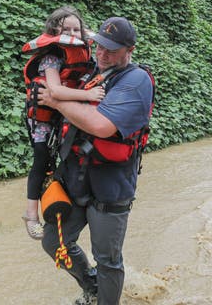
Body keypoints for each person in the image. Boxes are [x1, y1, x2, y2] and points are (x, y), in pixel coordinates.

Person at [37, 17, 154, 304]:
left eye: (111, 50)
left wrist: (55, 100)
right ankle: (92, 287)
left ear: (130, 50)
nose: (102, 54)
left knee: (108, 259)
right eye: (99, 46)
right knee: (54, 242)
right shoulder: (91, 73)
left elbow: (101, 126)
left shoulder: (136, 80)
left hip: (111, 185)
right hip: (75, 180)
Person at [21, 6, 105, 240]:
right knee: (41, 158)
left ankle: (63, 201)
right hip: (42, 116)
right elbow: (55, 90)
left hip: (63, 115)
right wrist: (88, 96)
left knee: (67, 155)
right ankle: (31, 215)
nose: (71, 33)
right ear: (54, 30)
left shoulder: (83, 48)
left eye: (75, 29)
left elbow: (95, 37)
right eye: (65, 29)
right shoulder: (52, 56)